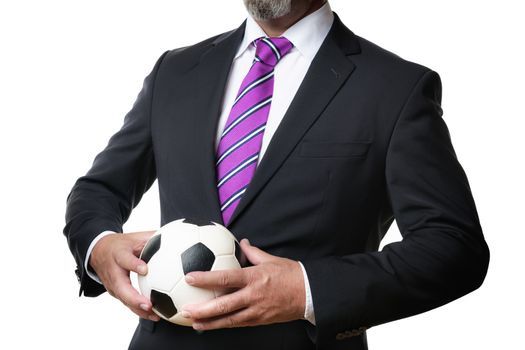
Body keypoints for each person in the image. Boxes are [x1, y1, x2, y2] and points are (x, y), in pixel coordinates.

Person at [63, 0, 490, 349]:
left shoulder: (396, 88)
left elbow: (454, 248)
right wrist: (100, 247)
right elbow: (98, 189)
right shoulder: (175, 71)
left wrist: (307, 291)